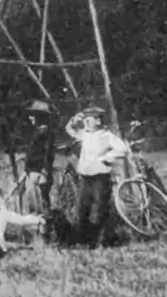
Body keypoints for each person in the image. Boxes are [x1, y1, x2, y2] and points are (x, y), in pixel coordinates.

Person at [65, 105, 128, 248]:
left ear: (99, 121)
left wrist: (107, 157)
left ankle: (99, 241)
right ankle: (83, 240)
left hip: (100, 177)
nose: (86, 122)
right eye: (85, 119)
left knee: (98, 208)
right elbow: (69, 130)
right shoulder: (84, 134)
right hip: (85, 177)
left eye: (90, 119)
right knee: (82, 207)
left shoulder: (107, 136)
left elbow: (122, 149)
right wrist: (74, 120)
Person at [22, 100, 57, 214]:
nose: (30, 118)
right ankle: (39, 226)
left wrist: (44, 172)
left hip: (38, 173)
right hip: (33, 172)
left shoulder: (46, 134)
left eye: (33, 115)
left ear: (40, 117)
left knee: (40, 204)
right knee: (35, 202)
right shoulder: (38, 132)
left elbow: (48, 154)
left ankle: (44, 228)